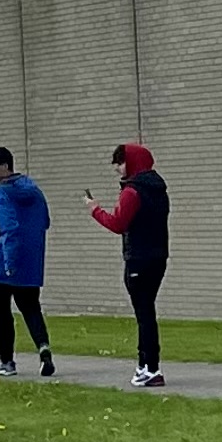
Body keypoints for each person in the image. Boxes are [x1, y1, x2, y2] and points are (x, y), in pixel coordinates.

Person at [86, 143, 170, 388]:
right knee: (147, 312)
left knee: (144, 315)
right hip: (158, 257)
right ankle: (146, 365)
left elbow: (118, 223)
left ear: (131, 163)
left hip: (138, 258)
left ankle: (150, 367)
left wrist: (95, 210)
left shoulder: (132, 192)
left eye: (120, 163)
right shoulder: (159, 190)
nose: (117, 169)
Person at [0, 147, 54, 379]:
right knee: (32, 308)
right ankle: (44, 350)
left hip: (3, 263)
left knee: (2, 313)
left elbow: (9, 226)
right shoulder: (34, 190)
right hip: (30, 263)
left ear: (4, 166)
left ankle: (7, 361)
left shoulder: (2, 192)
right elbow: (44, 220)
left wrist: (9, 262)